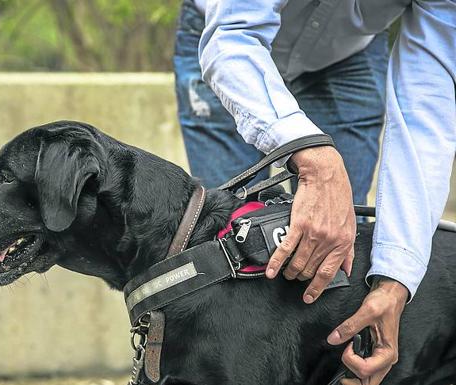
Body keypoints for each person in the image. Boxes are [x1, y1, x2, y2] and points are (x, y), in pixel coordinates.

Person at [174, 1, 456, 383]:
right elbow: (234, 36)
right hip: (227, 38)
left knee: (333, 267)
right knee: (224, 264)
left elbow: (426, 111)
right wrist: (312, 154)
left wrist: (395, 280)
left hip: (348, 54)